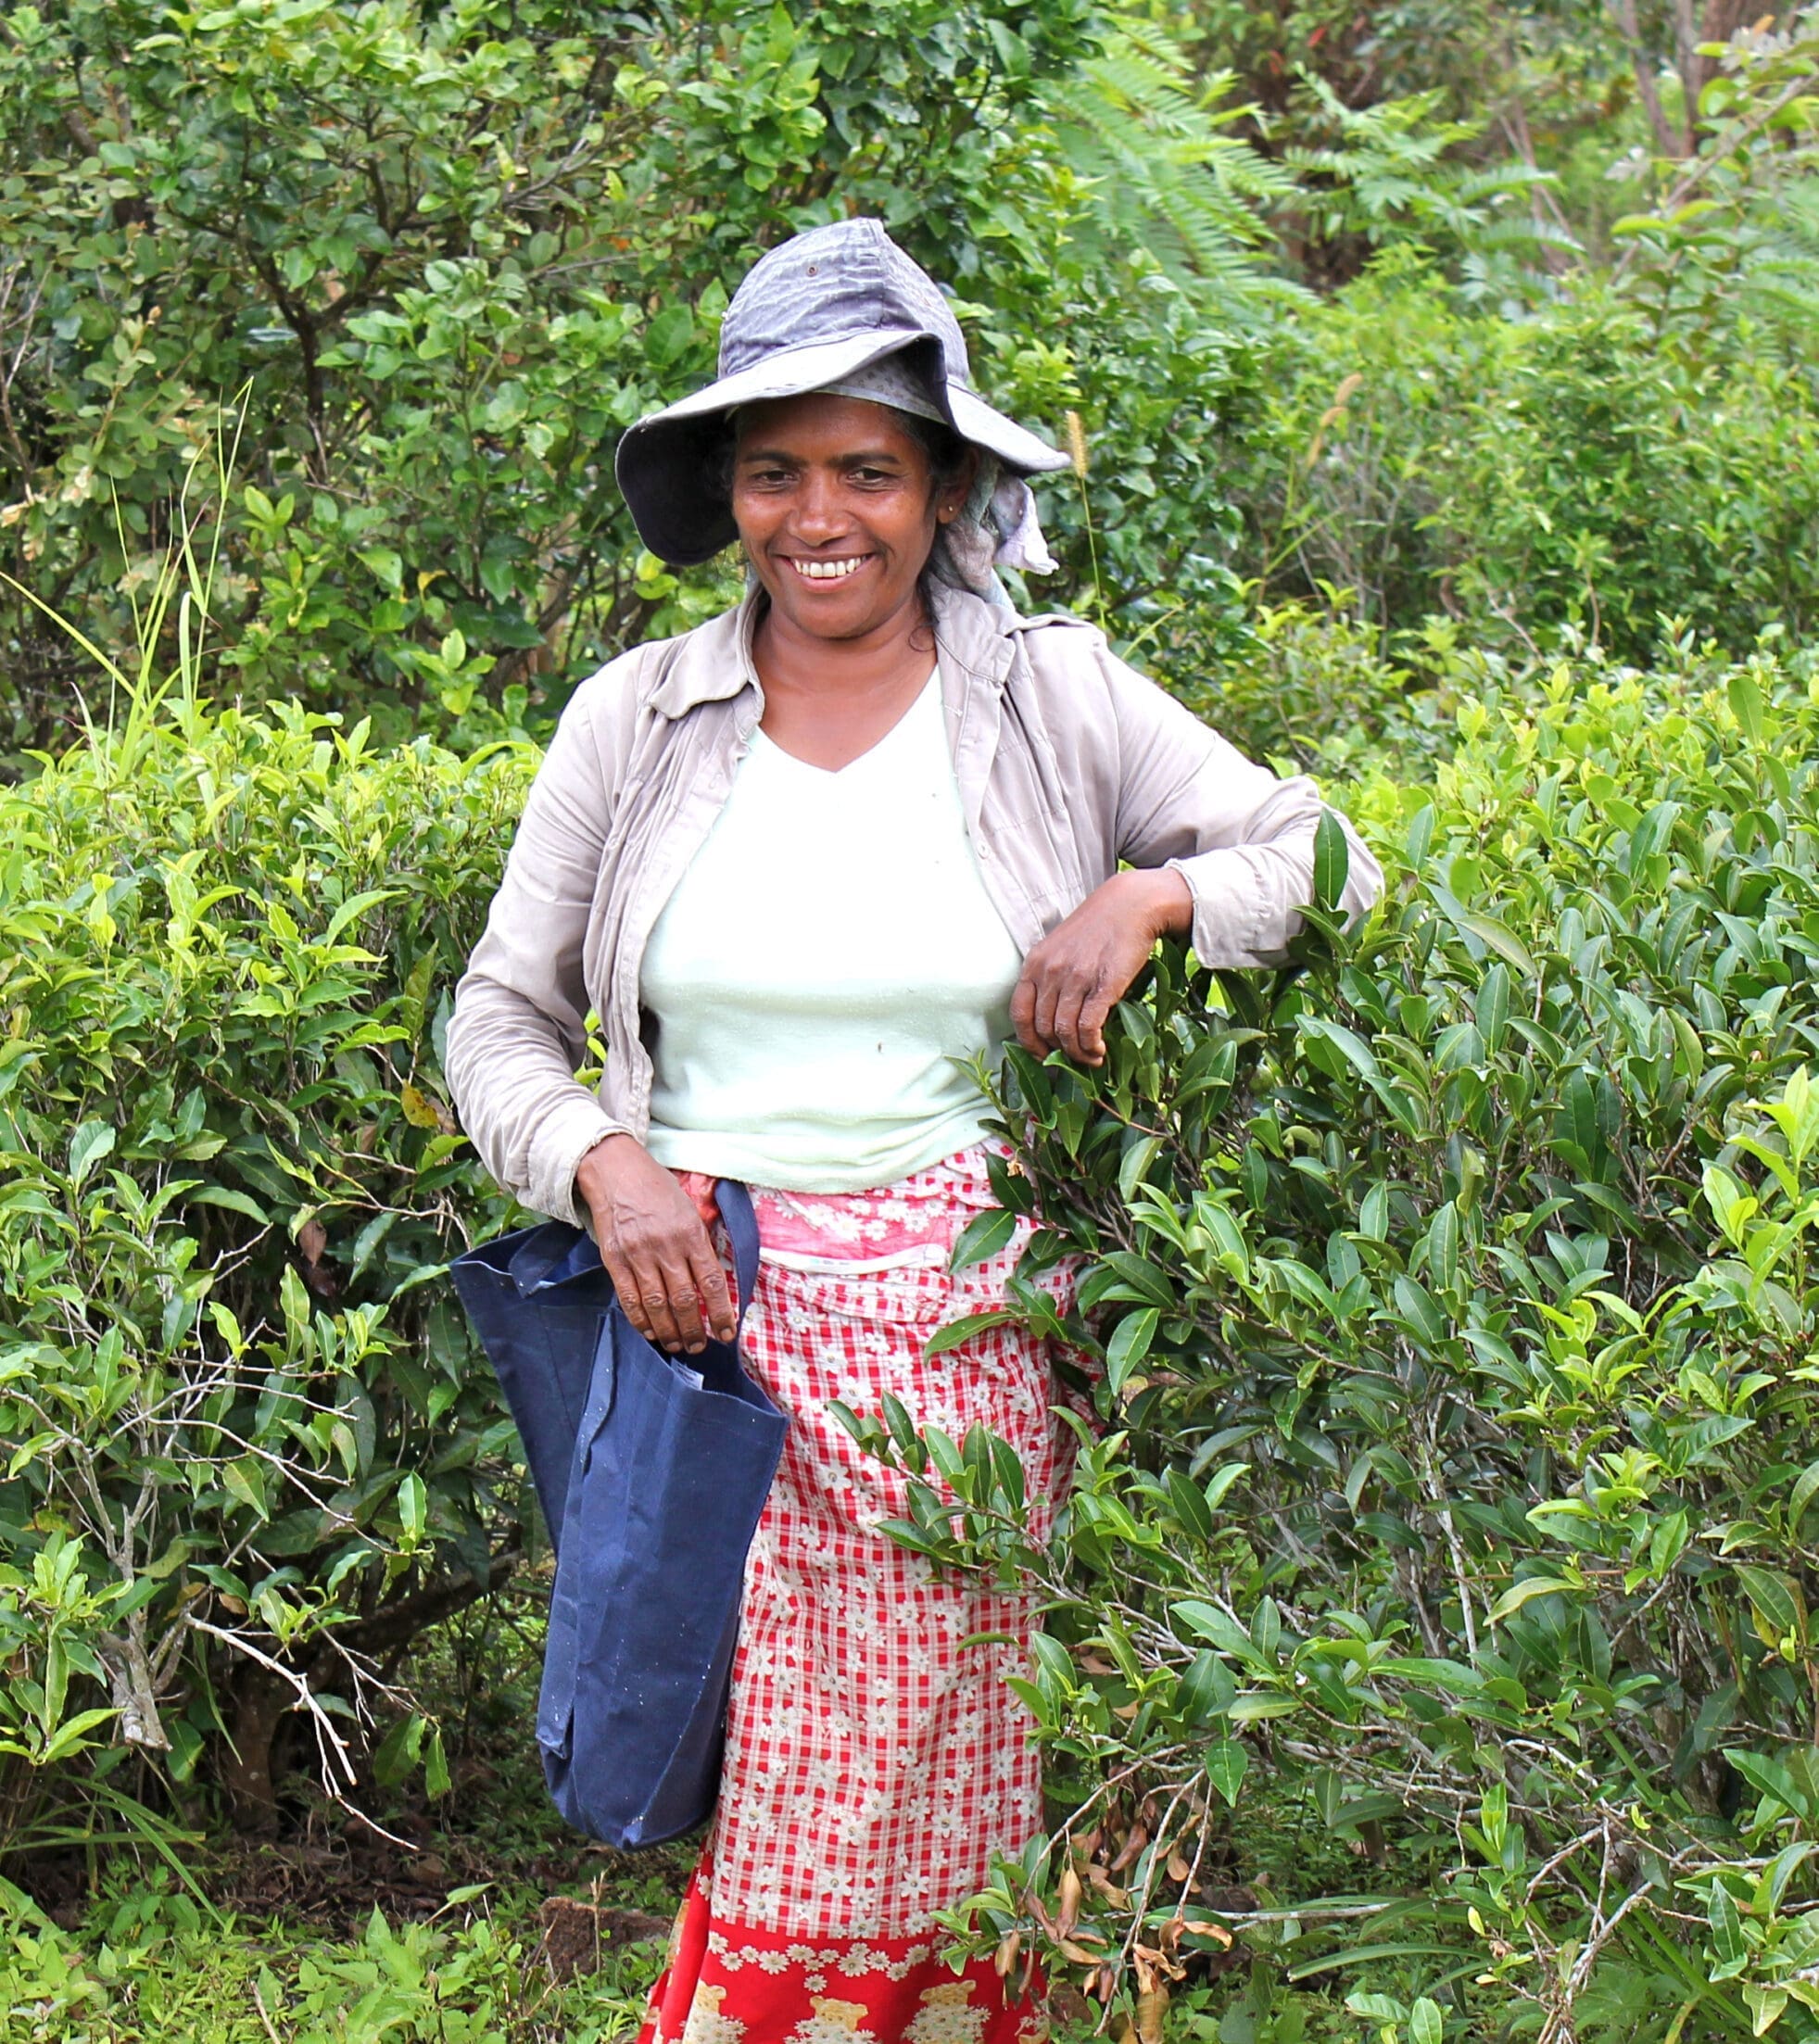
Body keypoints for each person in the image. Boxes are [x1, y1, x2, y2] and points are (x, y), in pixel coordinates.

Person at [446, 218, 1383, 2044]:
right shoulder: (635, 721)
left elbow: (1323, 852)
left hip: (978, 1362)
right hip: (715, 1354)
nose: (821, 517)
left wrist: (1146, 905)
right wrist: (600, 1161)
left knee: (936, 1838)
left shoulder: (1054, 699)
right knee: (802, 1831)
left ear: (940, 486)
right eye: (777, 468)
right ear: (728, 488)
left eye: (866, 469)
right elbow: (492, 1016)